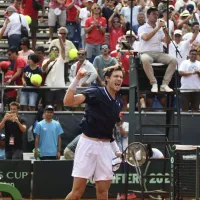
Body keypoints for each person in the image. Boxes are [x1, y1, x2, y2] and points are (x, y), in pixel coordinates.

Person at [63, 65, 123, 200]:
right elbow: (68, 101)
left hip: (106, 148)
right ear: (107, 78)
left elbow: (109, 131)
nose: (119, 79)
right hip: (87, 144)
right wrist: (77, 78)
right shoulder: (95, 92)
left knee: (103, 191)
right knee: (77, 192)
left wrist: (116, 150)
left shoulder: (118, 102)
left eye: (121, 77)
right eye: (116, 76)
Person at [138, 6, 177, 93]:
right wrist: (158, 28)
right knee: (144, 59)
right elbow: (146, 38)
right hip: (147, 53)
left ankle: (165, 84)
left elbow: (167, 42)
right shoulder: (142, 28)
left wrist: (166, 33)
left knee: (174, 60)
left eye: (157, 14)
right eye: (153, 14)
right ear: (148, 16)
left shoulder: (160, 28)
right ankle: (154, 83)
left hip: (159, 53)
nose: (156, 16)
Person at [42, 33, 66, 111]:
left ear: (58, 52)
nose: (54, 51)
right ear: (50, 51)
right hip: (49, 85)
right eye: (52, 50)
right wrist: (49, 61)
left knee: (59, 103)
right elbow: (43, 69)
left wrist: (60, 39)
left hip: (59, 85)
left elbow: (63, 49)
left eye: (56, 50)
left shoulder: (61, 59)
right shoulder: (46, 60)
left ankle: (60, 118)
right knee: (49, 104)